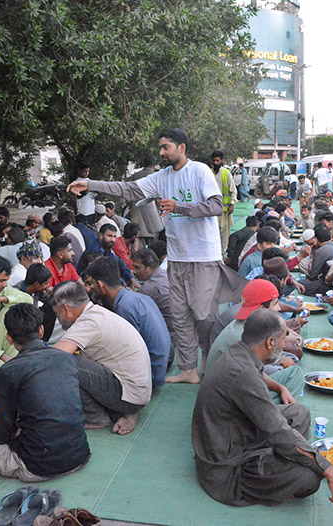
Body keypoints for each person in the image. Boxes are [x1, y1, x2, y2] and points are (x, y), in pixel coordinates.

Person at [66, 128, 246, 385]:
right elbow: (127, 189)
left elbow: (217, 206)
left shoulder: (200, 171)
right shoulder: (160, 177)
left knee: (205, 315)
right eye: (160, 147)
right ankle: (188, 369)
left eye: (166, 147)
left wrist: (179, 207)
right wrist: (91, 184)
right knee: (181, 315)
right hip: (177, 257)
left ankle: (209, 356)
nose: (161, 152)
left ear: (181, 147)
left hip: (203, 256)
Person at [192, 308, 333, 507]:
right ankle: (272, 473)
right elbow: (277, 431)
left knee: (300, 413)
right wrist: (330, 469)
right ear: (270, 343)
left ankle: (279, 463)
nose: (285, 344)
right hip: (227, 466)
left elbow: (260, 384)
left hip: (235, 435)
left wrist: (280, 386)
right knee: (309, 478)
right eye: (283, 339)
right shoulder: (244, 375)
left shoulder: (241, 351)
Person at [0, 303, 90, 481]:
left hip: (37, 467)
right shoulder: (67, 358)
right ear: (41, 330)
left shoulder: (8, 371)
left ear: (9, 339)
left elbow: (1, 435)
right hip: (79, 454)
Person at [50, 281, 151, 435]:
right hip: (137, 393)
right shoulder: (98, 313)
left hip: (130, 397)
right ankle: (119, 412)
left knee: (66, 362)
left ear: (65, 309)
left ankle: (95, 417)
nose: (58, 318)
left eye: (57, 314)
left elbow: (53, 357)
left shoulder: (88, 323)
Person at [205, 280, 304, 401]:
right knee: (294, 374)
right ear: (262, 308)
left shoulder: (249, 324)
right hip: (225, 399)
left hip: (239, 381)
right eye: (275, 304)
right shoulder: (242, 335)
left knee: (289, 362)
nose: (278, 308)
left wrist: (280, 387)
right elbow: (253, 374)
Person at [84, 257, 170, 387]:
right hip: (160, 366)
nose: (89, 289)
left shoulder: (124, 307)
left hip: (150, 377)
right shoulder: (136, 297)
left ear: (101, 285)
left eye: (91, 284)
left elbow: (127, 352)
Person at [131, 248, 174, 336]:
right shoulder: (166, 274)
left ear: (150, 267)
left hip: (168, 334)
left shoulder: (148, 288)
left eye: (137, 267)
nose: (134, 272)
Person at [294, 224, 333, 296]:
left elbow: (313, 275)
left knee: (299, 283)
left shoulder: (321, 251)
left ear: (317, 239)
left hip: (329, 286)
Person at [128, 155, 159, 244]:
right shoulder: (157, 177)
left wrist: (130, 206)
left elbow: (128, 194)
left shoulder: (135, 176)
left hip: (136, 216)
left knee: (137, 246)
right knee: (152, 249)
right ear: (154, 165)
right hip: (152, 217)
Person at [211, 151, 237, 254]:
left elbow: (233, 191)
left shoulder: (226, 173)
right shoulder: (208, 173)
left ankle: (223, 254)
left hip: (224, 211)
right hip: (211, 209)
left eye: (217, 160)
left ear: (222, 161)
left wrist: (231, 204)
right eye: (214, 161)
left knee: (224, 234)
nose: (215, 163)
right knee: (212, 232)